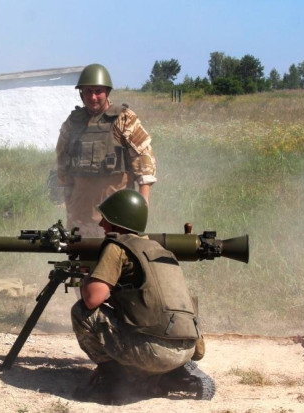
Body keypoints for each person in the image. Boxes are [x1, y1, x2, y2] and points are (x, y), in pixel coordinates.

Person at [71, 189, 213, 403]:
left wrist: (86, 275)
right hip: (186, 350)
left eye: (105, 219)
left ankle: (112, 380)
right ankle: (172, 374)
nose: (101, 224)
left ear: (117, 221)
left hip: (151, 353)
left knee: (81, 311)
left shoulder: (117, 247)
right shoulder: (163, 251)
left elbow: (92, 299)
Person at [56, 63, 156, 237]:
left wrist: (143, 201)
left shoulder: (124, 119)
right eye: (88, 91)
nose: (93, 97)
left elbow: (144, 159)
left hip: (116, 216)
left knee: (115, 253)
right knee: (79, 253)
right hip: (80, 214)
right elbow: (63, 164)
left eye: (98, 91)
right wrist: (68, 204)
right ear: (81, 93)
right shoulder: (73, 123)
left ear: (107, 92)